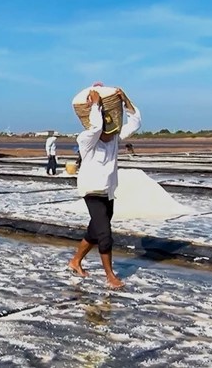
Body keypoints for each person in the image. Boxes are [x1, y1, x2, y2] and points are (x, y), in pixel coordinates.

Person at [68, 88, 141, 289]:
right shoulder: (86, 140)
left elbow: (135, 123)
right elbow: (95, 128)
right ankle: (110, 276)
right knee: (105, 234)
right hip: (91, 190)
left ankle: (75, 261)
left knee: (95, 230)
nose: (110, 134)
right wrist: (95, 104)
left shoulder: (114, 138)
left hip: (108, 191)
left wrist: (126, 101)